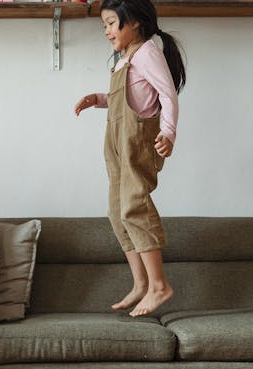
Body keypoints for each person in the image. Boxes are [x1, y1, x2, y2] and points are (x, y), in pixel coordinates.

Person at [74, 0, 185, 317]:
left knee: (134, 207)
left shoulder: (148, 52)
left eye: (111, 23)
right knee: (116, 211)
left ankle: (159, 285)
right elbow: (128, 96)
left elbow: (167, 94)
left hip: (137, 142)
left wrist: (169, 133)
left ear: (134, 21)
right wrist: (97, 99)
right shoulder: (125, 58)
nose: (107, 31)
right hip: (117, 144)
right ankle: (140, 283)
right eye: (104, 25)